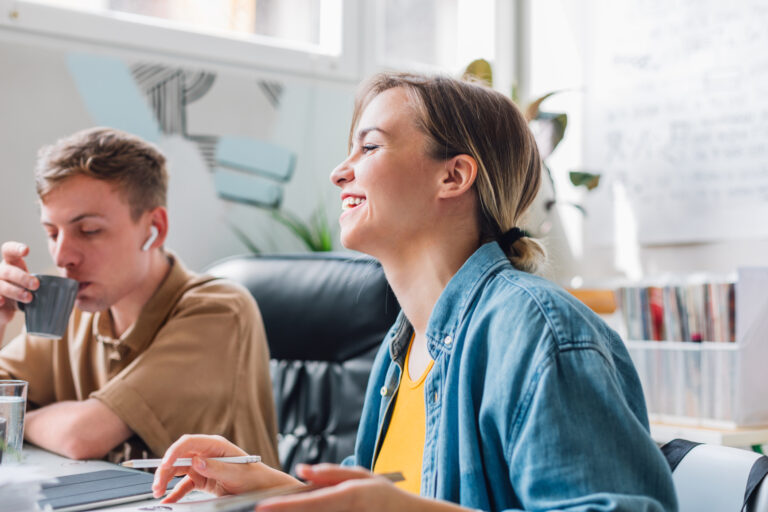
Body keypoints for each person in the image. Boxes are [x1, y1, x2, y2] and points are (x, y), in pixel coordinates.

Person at [152, 73, 677, 511]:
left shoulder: (538, 331)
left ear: (453, 175)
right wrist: (272, 486)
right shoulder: (403, 345)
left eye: (370, 145)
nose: (340, 172)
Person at [0, 127, 279, 467]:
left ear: (154, 229)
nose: (62, 257)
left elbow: (82, 436)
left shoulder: (220, 310)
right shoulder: (73, 312)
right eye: (52, 233)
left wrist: (17, 419)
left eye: (88, 231)